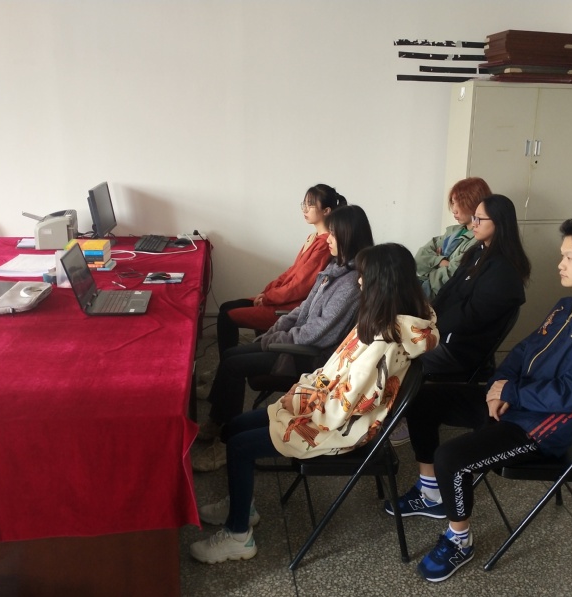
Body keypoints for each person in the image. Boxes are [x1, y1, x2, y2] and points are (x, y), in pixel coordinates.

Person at [415, 214, 572, 583]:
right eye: (563, 255)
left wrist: (511, 392)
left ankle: (459, 539)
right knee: (423, 400)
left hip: (539, 429)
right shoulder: (566, 306)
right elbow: (523, 351)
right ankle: (430, 493)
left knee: (452, 458)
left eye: (570, 257)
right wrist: (499, 386)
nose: (560, 264)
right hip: (516, 402)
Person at [188, 243, 439, 565]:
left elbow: (345, 407)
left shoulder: (384, 340)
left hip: (340, 428)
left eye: (364, 276)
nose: (359, 281)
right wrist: (304, 393)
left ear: (383, 282)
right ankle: (242, 504)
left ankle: (238, 535)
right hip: (328, 408)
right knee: (235, 427)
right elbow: (337, 377)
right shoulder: (390, 319)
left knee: (239, 446)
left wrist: (302, 403)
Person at [193, 205, 374, 472]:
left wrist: (280, 337)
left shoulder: (350, 283)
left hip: (309, 357)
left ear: (348, 236)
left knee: (233, 365)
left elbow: (320, 332)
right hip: (295, 342)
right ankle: (217, 423)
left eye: (334, 234)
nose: (329, 239)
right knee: (230, 356)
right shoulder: (335, 268)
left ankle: (222, 443)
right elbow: (304, 308)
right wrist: (279, 327)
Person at [389, 195, 530, 460]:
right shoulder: (477, 252)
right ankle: (389, 411)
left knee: (396, 356)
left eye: (480, 219)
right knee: (388, 343)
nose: (473, 223)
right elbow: (447, 292)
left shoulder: (503, 271)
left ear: (499, 223)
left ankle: (401, 416)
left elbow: (469, 317)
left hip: (460, 350)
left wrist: (430, 330)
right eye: (474, 217)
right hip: (444, 335)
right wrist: (426, 319)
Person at [216, 184, 347, 357]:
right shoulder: (313, 237)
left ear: (326, 211)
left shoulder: (324, 244)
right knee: (226, 307)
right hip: (280, 298)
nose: (305, 209)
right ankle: (234, 359)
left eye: (310, 205)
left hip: (290, 305)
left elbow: (299, 286)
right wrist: (267, 292)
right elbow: (291, 272)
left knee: (226, 317)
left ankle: (229, 362)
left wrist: (269, 298)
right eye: (304, 204)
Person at [415, 177, 491, 300]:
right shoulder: (452, 231)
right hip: (425, 286)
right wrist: (441, 261)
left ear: (475, 204)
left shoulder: (478, 240)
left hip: (438, 296)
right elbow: (419, 257)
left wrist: (431, 264)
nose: (454, 210)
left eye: (460, 203)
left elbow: (453, 276)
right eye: (453, 202)